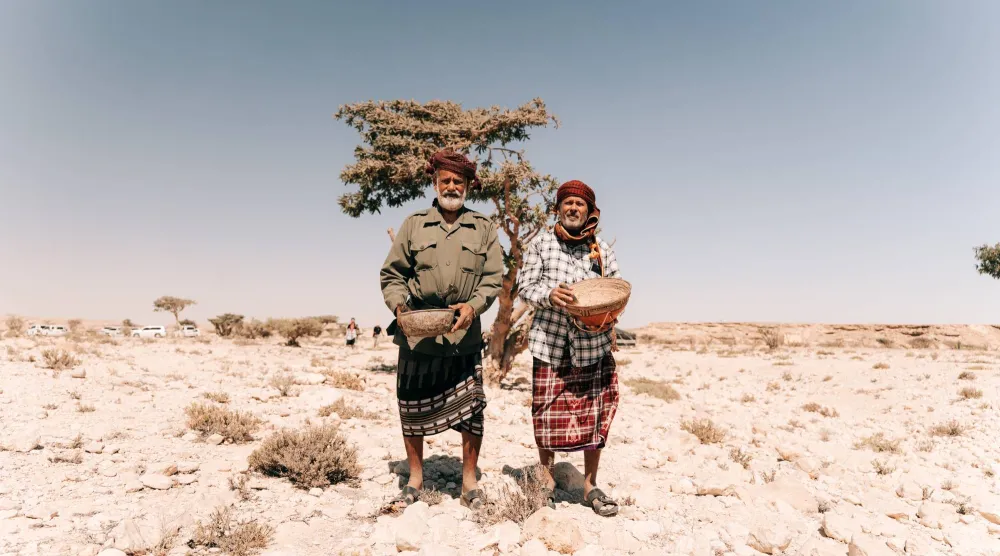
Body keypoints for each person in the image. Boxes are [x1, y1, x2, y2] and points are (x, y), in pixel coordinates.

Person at [380, 148, 503, 510]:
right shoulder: (414, 224)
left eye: (458, 182)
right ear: (435, 184)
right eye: (445, 180)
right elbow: (392, 274)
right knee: (411, 407)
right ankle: (415, 479)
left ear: (468, 186)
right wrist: (399, 306)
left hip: (464, 336)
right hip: (418, 334)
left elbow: (492, 279)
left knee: (472, 411)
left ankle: (469, 483)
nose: (452, 186)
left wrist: (473, 306)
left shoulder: (484, 228)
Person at [518, 179, 623, 517]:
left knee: (594, 415)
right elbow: (525, 286)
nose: (574, 209)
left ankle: (590, 486)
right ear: (558, 209)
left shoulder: (602, 251)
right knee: (545, 415)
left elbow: (616, 290)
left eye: (580, 204)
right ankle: (546, 480)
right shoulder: (541, 245)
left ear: (590, 211)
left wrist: (607, 317)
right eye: (568, 203)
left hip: (593, 345)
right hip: (549, 343)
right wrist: (549, 295)